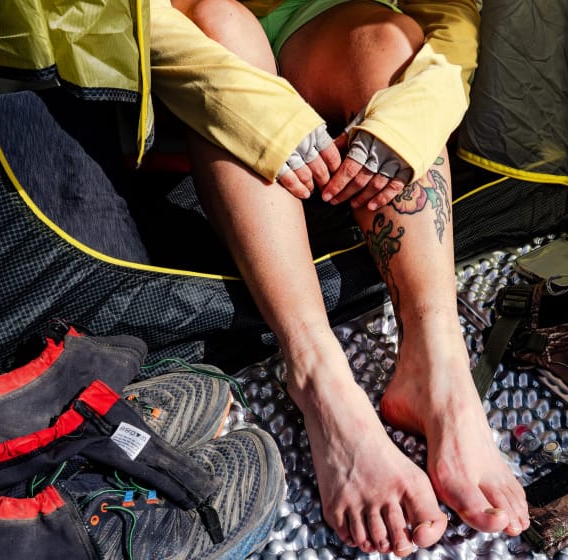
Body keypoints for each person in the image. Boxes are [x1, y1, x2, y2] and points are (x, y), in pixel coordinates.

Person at [149, 0, 530, 556]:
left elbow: (448, 12)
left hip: (316, 25)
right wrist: (250, 103)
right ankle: (318, 376)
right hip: (180, 31)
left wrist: (419, 112)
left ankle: (438, 361)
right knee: (224, 23)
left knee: (388, 41)